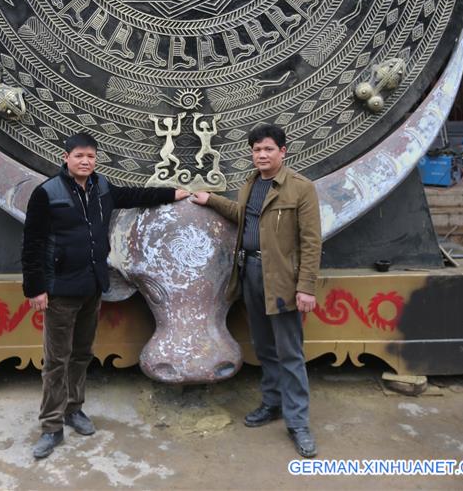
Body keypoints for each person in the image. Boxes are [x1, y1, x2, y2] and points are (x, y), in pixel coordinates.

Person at [22, 131, 190, 459]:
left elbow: (133, 195)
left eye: (91, 157)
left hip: (93, 285)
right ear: (66, 158)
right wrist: (36, 288)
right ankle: (51, 426)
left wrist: (175, 192)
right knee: (57, 360)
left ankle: (74, 410)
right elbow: (33, 244)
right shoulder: (47, 193)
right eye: (79, 156)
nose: (85, 162)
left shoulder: (102, 188)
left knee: (82, 353)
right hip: (60, 290)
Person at [191, 123, 321, 458]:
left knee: (290, 352)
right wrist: (212, 200)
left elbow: (311, 242)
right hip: (249, 272)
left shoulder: (301, 188)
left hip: (281, 279)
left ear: (283, 151)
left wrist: (305, 287)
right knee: (264, 347)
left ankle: (298, 423)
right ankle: (273, 403)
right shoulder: (250, 183)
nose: (261, 155)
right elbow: (244, 216)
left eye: (268, 149)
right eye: (256, 150)